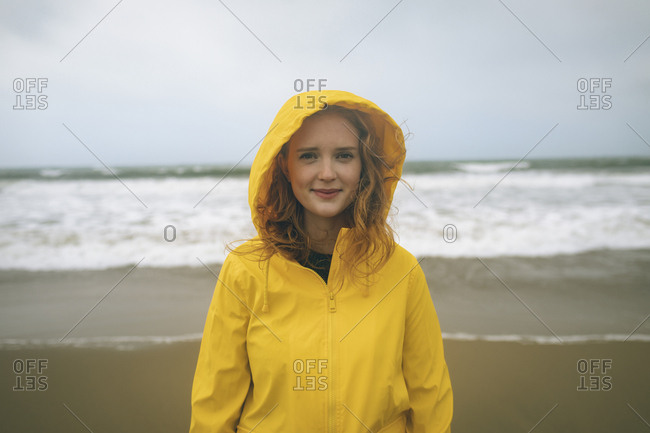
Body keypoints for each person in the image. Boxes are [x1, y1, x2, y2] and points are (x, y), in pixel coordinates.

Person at [190, 90, 453, 433]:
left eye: (344, 156)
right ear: (284, 163)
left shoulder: (402, 271)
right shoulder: (244, 270)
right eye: (309, 156)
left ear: (364, 165)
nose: (327, 173)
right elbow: (215, 403)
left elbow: (429, 396)